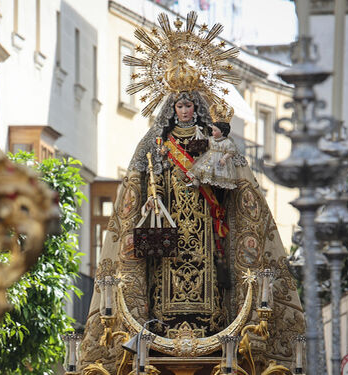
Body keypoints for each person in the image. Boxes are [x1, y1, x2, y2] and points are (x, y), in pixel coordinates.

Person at [77, 11, 305, 374]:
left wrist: (215, 175)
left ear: (198, 107)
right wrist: (151, 199)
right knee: (165, 274)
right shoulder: (154, 143)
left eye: (190, 104)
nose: (184, 110)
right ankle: (161, 322)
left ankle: (212, 319)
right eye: (179, 104)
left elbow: (237, 185)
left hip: (204, 229)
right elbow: (133, 192)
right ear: (172, 107)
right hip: (165, 232)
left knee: (208, 276)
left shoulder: (213, 143)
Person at [186, 106, 239, 190]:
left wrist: (224, 158)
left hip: (219, 162)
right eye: (212, 130)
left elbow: (231, 152)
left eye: (215, 131)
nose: (212, 132)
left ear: (223, 132)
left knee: (219, 175)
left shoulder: (227, 142)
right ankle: (196, 183)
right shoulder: (211, 139)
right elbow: (206, 143)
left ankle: (216, 190)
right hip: (209, 159)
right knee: (200, 170)